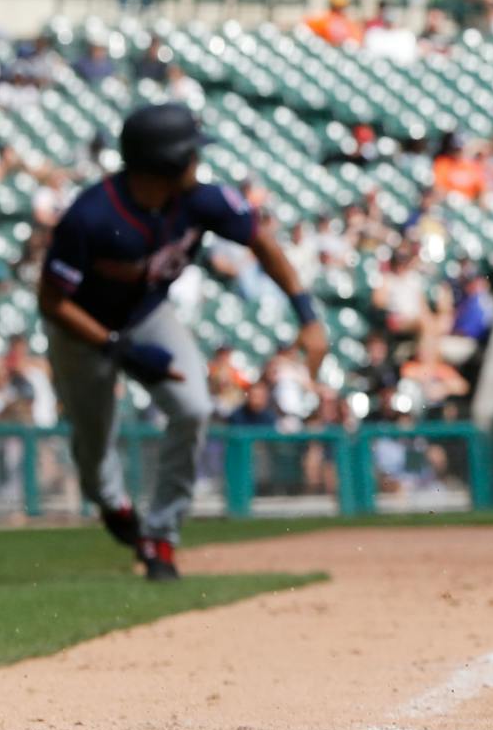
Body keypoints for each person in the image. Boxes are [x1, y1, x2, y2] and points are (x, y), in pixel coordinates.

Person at [38, 104, 326, 580]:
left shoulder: (200, 200)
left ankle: (161, 535)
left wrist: (308, 316)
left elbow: (263, 242)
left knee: (194, 408)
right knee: (93, 441)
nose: (198, 162)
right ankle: (115, 507)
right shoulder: (90, 216)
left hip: (148, 314)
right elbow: (52, 302)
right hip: (82, 330)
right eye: (191, 153)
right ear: (165, 164)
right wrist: (117, 347)